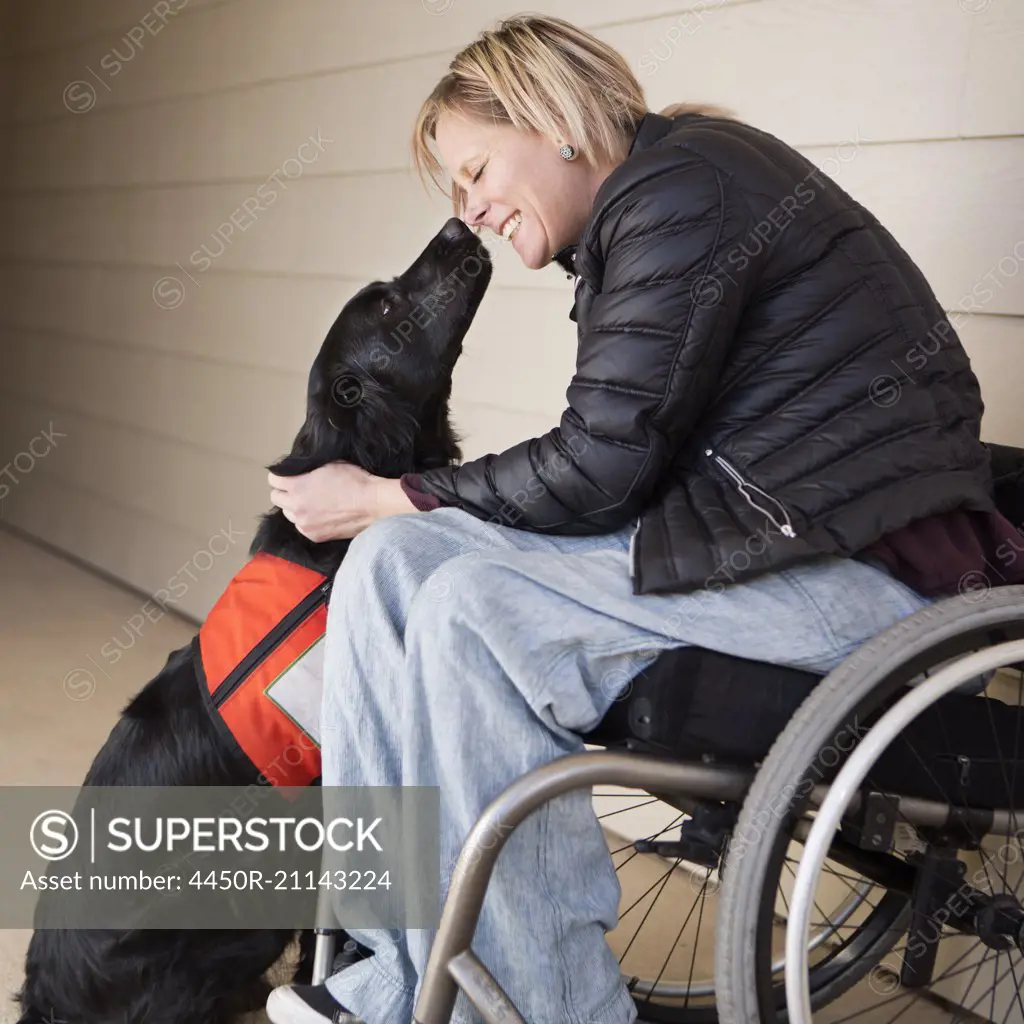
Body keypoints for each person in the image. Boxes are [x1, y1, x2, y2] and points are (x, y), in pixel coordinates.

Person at [264, 14, 1023, 1024]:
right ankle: (397, 975)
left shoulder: (684, 192)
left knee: (467, 605)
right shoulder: (655, 204)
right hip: (755, 551)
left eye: (479, 170)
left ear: (551, 122)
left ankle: (556, 1009)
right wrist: (399, 516)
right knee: (394, 564)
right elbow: (619, 458)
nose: (472, 209)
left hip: (863, 586)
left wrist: (394, 488)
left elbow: (601, 463)